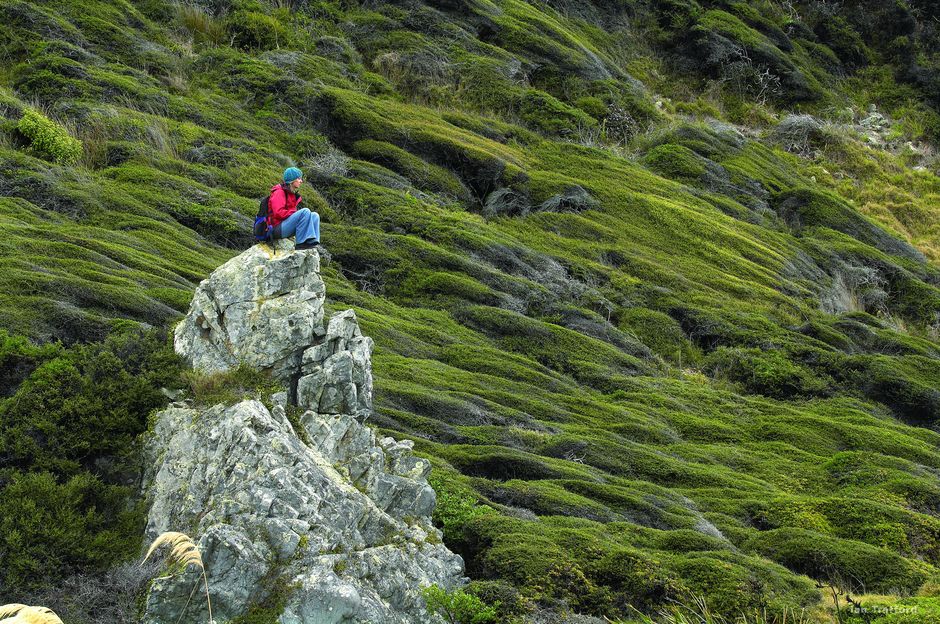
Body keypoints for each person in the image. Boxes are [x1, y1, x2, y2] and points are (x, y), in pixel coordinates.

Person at [268, 166, 320, 250]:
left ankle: (312, 242)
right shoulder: (279, 192)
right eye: (299, 178)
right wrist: (295, 213)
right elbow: (278, 213)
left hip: (284, 225)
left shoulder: (290, 193)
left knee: (314, 215)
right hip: (276, 229)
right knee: (305, 211)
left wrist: (295, 214)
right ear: (292, 180)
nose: (301, 181)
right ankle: (301, 244)